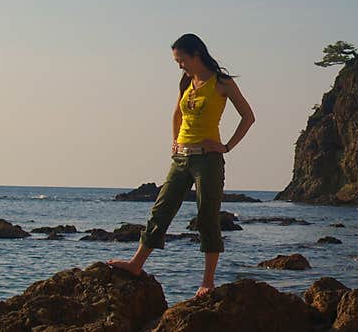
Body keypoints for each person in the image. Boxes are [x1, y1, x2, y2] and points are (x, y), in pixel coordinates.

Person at [108, 33, 255, 297]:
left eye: (182, 60)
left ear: (196, 54)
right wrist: (175, 142)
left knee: (207, 217)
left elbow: (248, 117)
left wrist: (226, 146)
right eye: (177, 61)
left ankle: (208, 281)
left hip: (207, 160)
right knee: (161, 210)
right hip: (181, 158)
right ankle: (136, 264)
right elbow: (177, 113)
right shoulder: (187, 81)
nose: (180, 65)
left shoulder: (222, 83)